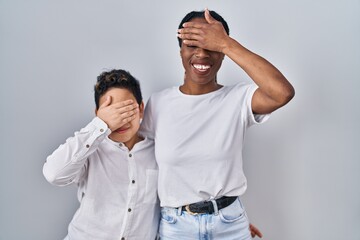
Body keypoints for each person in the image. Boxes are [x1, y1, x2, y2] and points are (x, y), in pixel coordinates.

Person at [140, 9, 294, 239]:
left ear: (223, 54)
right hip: (176, 227)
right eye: (192, 45)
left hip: (230, 224)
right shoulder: (159, 103)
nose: (202, 54)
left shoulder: (238, 99)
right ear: (180, 51)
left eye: (211, 46)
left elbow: (282, 93)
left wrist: (226, 43)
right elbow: (137, 166)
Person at [43, 69, 159, 240]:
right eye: (112, 112)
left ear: (141, 109)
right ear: (98, 113)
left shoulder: (159, 151)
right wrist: (100, 125)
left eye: (126, 109)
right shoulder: (89, 148)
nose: (120, 119)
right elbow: (54, 174)